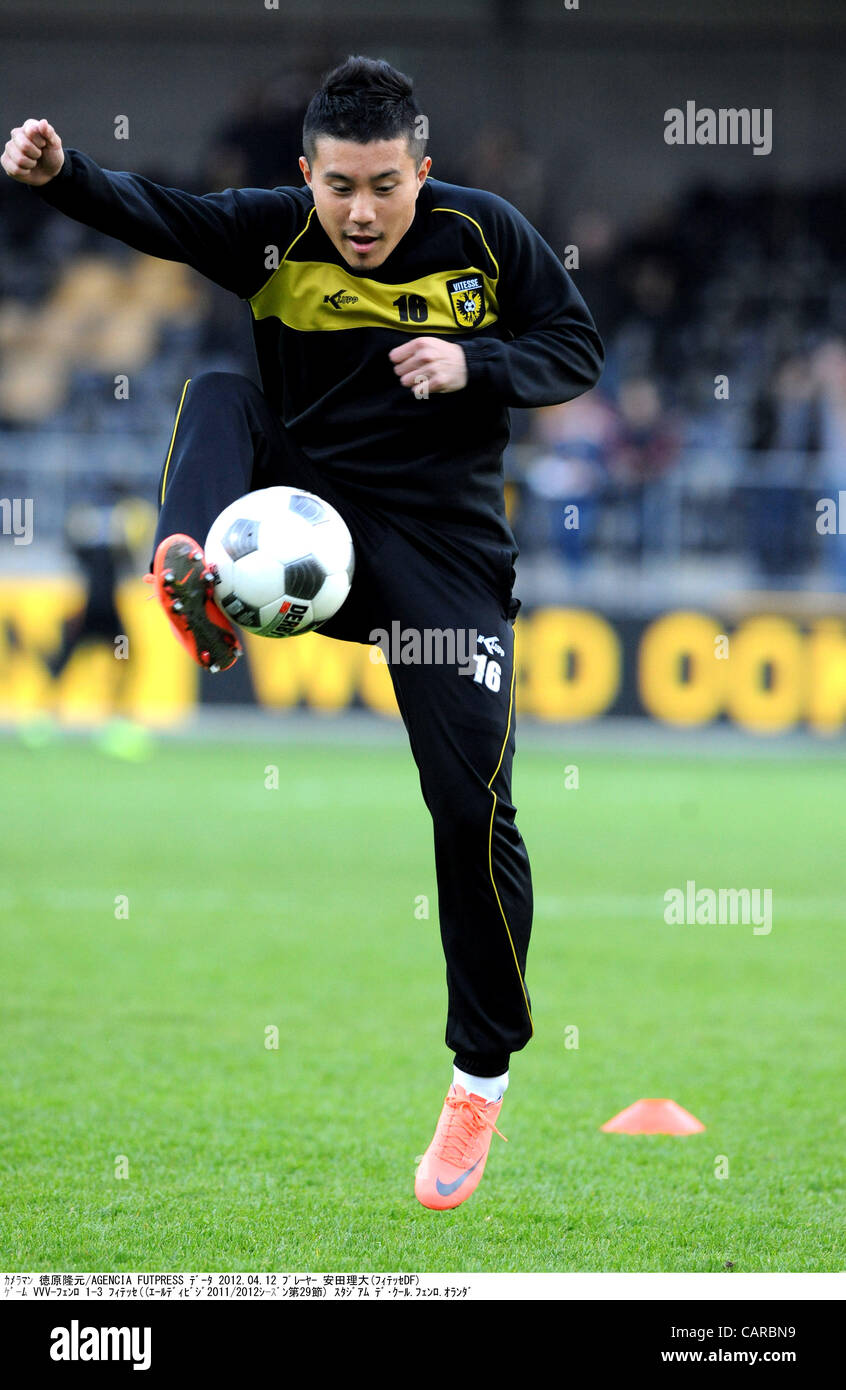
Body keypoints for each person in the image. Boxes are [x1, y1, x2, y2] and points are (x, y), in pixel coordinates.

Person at [3, 56, 604, 1210]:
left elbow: (574, 350)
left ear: (424, 171)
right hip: (308, 520)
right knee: (223, 392)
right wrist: (61, 172)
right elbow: (160, 215)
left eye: (386, 184)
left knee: (473, 803)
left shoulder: (489, 239)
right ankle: (196, 572)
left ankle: (479, 1078)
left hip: (439, 564)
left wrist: (475, 362)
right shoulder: (275, 234)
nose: (362, 211)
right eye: (340, 186)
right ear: (306, 175)